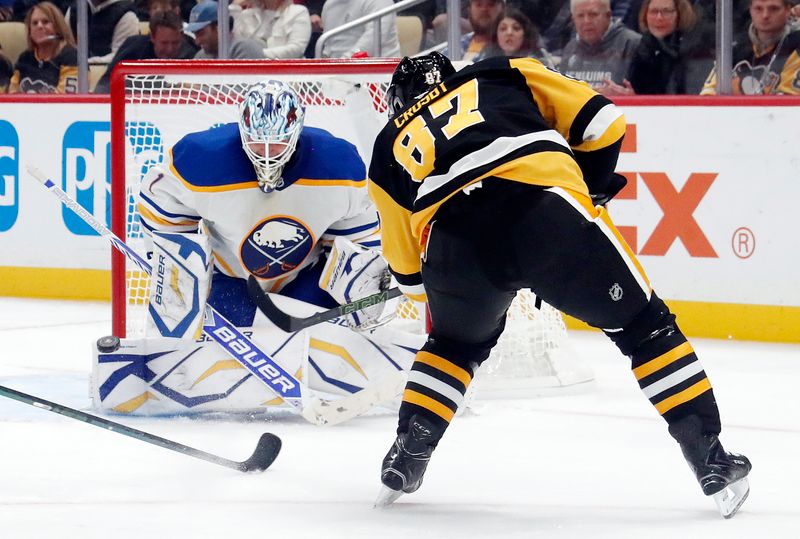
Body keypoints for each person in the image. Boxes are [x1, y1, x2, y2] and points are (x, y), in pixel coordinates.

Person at [368, 52, 752, 518]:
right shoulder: (498, 71)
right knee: (645, 328)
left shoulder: (388, 145)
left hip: (451, 246)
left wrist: (443, 285)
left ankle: (408, 451)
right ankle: (709, 458)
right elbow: (605, 122)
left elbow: (408, 275)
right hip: (543, 211)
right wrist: (584, 187)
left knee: (451, 346)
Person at [137, 80, 384, 332]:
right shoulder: (203, 159)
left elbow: (358, 236)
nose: (267, 152)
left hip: (306, 280)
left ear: (296, 131)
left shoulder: (338, 165)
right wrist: (171, 262)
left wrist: (362, 281)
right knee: (215, 351)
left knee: (331, 344)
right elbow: (160, 198)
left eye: (277, 142)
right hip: (230, 280)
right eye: (257, 141)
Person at [701, 0, 800, 95]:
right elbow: (708, 94)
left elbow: (788, 103)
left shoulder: (796, 46)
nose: (765, 15)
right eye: (758, 8)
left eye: (773, 9)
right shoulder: (734, 47)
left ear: (788, 10)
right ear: (750, 9)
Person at [92, 10, 197, 93]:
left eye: (175, 43)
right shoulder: (134, 47)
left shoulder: (190, 54)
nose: (170, 49)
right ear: (152, 37)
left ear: (182, 37)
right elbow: (106, 83)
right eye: (164, 43)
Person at [559, 0, 641, 95]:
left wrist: (630, 98)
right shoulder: (570, 48)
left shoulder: (633, 44)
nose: (587, 21)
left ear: (608, 15)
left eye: (593, 14)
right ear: (573, 20)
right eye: (580, 16)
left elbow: (652, 99)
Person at [624, 0, 707, 94]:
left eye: (666, 11)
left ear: (680, 14)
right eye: (654, 11)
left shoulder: (692, 49)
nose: (659, 17)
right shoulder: (642, 48)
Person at [8, 1, 77, 93]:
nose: (39, 26)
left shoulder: (72, 57)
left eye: (45, 22)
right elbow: (12, 94)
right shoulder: (24, 58)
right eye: (35, 23)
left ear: (58, 26)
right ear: (30, 31)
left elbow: (66, 99)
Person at [472, 6, 556, 67]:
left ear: (525, 33)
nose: (509, 33)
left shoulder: (539, 59)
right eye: (503, 29)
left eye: (516, 28)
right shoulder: (486, 55)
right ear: (496, 35)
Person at [66, 0, 140, 64]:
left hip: (109, 75)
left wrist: (86, 62)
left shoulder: (127, 16)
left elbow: (121, 56)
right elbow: (65, 47)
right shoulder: (75, 10)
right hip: (73, 73)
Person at [318, 0, 400, 57]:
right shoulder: (329, 4)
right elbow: (328, 49)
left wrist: (342, 63)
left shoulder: (380, 2)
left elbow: (371, 43)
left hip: (380, 73)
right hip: (337, 74)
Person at [187, 0, 265, 59]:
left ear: (219, 27)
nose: (197, 41)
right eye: (195, 34)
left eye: (201, 33)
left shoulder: (245, 49)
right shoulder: (200, 56)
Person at [233, 0, 311, 59]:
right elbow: (233, 44)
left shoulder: (298, 12)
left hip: (286, 72)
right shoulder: (247, 14)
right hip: (250, 73)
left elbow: (296, 49)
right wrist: (235, 7)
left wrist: (258, 54)